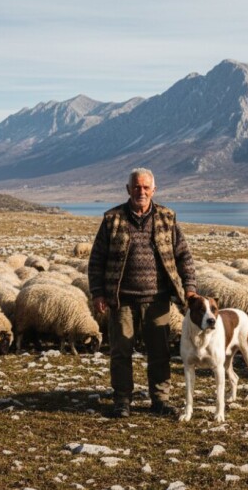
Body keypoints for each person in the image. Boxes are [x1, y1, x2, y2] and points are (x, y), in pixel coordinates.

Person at [88, 168, 197, 418]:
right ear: (128, 189)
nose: (141, 191)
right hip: (122, 300)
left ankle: (160, 399)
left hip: (157, 299)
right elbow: (96, 260)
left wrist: (189, 288)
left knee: (160, 352)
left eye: (146, 187)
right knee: (121, 351)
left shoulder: (167, 218)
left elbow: (184, 256)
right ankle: (122, 400)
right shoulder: (112, 219)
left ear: (154, 190)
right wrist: (97, 293)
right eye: (136, 187)